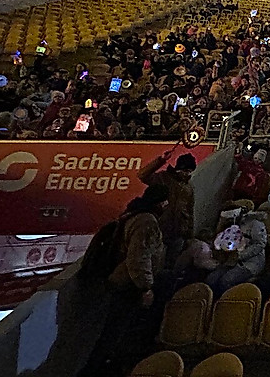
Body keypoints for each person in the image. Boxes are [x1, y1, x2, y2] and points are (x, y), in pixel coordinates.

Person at [79, 184, 170, 377]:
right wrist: (146, 287)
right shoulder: (146, 221)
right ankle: (101, 369)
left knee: (113, 332)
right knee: (116, 332)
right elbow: (138, 258)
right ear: (160, 202)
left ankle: (103, 367)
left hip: (122, 283)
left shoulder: (133, 215)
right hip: (129, 285)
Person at [137, 149, 196, 266]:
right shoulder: (163, 178)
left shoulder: (188, 188)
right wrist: (161, 160)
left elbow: (190, 210)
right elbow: (142, 175)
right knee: (155, 260)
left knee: (170, 263)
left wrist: (189, 234)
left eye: (190, 171)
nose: (187, 174)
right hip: (160, 229)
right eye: (185, 170)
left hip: (178, 233)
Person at [206, 209, 268, 295]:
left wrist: (240, 255)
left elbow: (260, 244)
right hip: (229, 261)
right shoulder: (231, 224)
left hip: (250, 263)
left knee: (227, 280)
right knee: (211, 279)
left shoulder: (255, 224)